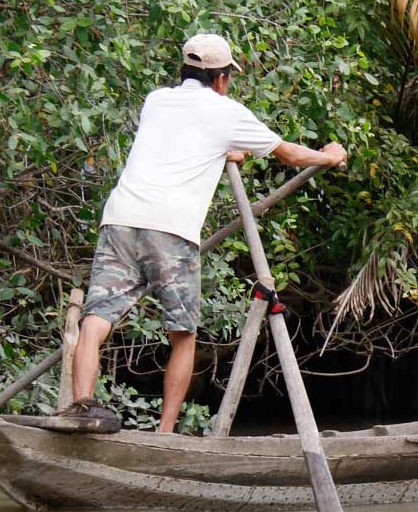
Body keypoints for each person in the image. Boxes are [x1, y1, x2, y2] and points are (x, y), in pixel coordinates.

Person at [62, 33, 347, 433]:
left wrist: (225, 151)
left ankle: (80, 406)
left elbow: (181, 142)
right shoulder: (226, 112)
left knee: (96, 318)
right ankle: (165, 435)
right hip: (172, 229)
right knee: (182, 333)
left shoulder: (156, 101)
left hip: (120, 219)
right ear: (222, 78)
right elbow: (288, 153)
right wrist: (329, 157)